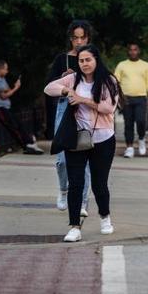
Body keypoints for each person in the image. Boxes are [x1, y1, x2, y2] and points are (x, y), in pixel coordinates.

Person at [45, 45, 119, 242]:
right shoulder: (73, 78)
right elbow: (48, 88)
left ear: (96, 60)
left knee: (99, 183)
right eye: (81, 60)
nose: (84, 64)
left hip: (103, 139)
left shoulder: (108, 81)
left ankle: (105, 217)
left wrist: (83, 100)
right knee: (75, 183)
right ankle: (74, 226)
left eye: (88, 60)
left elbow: (108, 107)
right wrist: (66, 90)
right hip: (76, 138)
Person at [45, 20, 92, 213]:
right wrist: (63, 80)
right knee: (62, 158)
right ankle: (64, 189)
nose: (79, 41)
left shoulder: (91, 58)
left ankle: (82, 200)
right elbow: (48, 87)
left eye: (82, 37)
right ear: (70, 39)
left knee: (84, 154)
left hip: (85, 108)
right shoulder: (62, 59)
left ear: (88, 38)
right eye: (75, 38)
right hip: (65, 108)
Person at [0, 60, 44, 154]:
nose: (7, 71)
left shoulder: (1, 78)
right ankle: (26, 145)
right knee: (13, 126)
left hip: (5, 107)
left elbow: (7, 90)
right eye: (5, 69)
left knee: (18, 124)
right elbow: (4, 95)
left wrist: (12, 88)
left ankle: (29, 143)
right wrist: (16, 88)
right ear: (0, 69)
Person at [114, 43, 148, 158]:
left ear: (139, 51)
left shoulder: (145, 66)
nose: (133, 52)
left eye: (135, 50)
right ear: (128, 52)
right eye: (131, 50)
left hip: (141, 98)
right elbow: (115, 82)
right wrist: (117, 98)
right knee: (128, 123)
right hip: (126, 98)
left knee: (141, 121)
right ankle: (129, 148)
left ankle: (141, 139)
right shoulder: (122, 65)